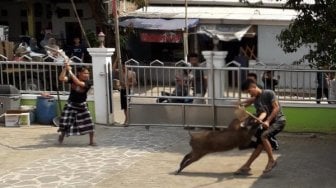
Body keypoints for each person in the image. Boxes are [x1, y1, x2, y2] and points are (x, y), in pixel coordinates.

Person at [235, 79, 286, 175]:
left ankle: (271, 160)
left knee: (263, 136)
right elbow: (253, 103)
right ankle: (246, 166)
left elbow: (276, 108)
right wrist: (241, 105)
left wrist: (267, 121)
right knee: (260, 144)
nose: (249, 94)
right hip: (270, 123)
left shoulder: (269, 93)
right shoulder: (257, 99)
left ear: (253, 87)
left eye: (249, 91)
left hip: (279, 121)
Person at [57, 61, 96, 146]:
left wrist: (70, 71)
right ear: (79, 73)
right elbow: (61, 78)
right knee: (65, 123)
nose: (87, 75)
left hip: (82, 105)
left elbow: (78, 83)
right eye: (85, 73)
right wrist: (65, 69)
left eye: (88, 73)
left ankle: (92, 141)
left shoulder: (89, 82)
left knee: (89, 123)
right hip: (71, 104)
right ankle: (61, 137)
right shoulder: (72, 78)